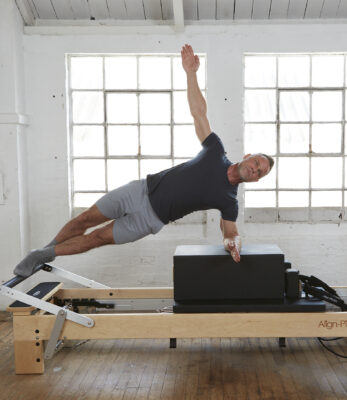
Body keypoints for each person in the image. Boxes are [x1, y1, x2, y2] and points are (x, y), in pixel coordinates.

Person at [14, 44, 274, 278]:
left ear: (257, 179)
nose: (255, 170)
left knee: (96, 238)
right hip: (139, 191)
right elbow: (199, 113)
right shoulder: (215, 150)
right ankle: (43, 252)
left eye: (259, 173)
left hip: (149, 221)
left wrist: (233, 245)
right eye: (257, 163)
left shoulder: (229, 200)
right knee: (85, 220)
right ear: (248, 156)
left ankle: (46, 253)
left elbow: (230, 233)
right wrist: (190, 73)